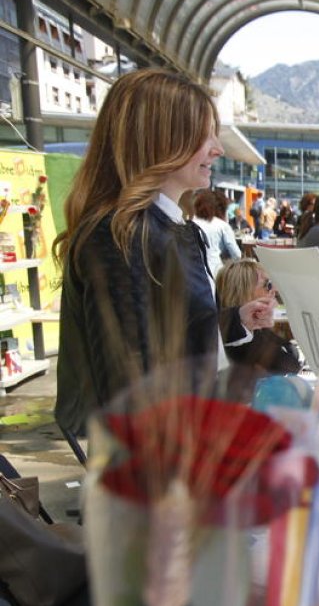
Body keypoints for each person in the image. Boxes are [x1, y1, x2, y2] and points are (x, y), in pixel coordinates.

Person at [54, 68, 273, 436]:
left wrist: (236, 320)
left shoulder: (158, 225)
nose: (217, 149)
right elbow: (131, 389)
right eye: (202, 137)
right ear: (160, 141)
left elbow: (166, 335)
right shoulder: (122, 235)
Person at [216, 259, 301, 375]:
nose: (274, 290)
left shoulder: (249, 333)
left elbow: (290, 353)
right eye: (268, 285)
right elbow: (289, 365)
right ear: (244, 293)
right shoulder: (240, 343)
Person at [191, 188, 241, 278]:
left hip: (192, 271)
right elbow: (236, 254)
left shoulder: (192, 222)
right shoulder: (222, 225)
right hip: (215, 271)